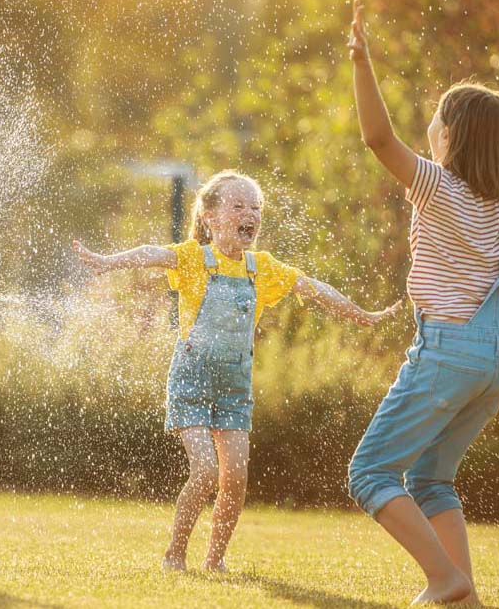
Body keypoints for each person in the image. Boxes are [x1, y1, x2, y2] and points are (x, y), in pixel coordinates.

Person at [345, 0, 499, 604]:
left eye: (434, 121)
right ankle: (465, 596)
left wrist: (363, 63)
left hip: (448, 354)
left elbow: (376, 137)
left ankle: (443, 578)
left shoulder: (437, 184)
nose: (428, 129)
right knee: (431, 477)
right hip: (497, 363)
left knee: (369, 472)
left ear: (447, 135)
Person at [73, 170, 399, 572]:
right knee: (206, 470)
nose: (250, 214)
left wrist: (361, 314)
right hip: (191, 381)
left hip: (234, 388)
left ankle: (215, 560)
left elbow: (313, 287)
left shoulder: (261, 268)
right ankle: (175, 553)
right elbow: (151, 253)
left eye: (256, 207)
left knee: (236, 478)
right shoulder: (194, 259)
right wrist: (108, 262)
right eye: (239, 206)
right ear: (210, 218)